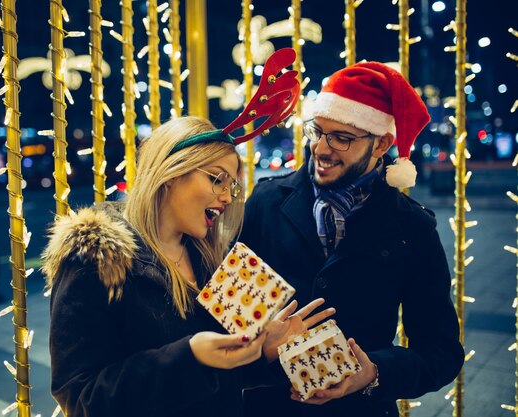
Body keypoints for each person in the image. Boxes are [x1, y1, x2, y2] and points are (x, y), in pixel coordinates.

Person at [41, 116, 334, 417]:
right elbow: (80, 398)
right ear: (171, 171)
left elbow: (222, 381)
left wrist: (263, 352)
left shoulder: (213, 259)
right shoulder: (96, 258)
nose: (226, 198)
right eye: (216, 178)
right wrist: (190, 357)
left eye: (231, 186)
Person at [240, 62, 465, 417]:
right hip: (267, 405)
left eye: (341, 138)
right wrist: (261, 347)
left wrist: (373, 372)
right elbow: (230, 312)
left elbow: (441, 351)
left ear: (382, 144)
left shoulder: (411, 226)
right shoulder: (266, 202)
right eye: (317, 131)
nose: (321, 148)